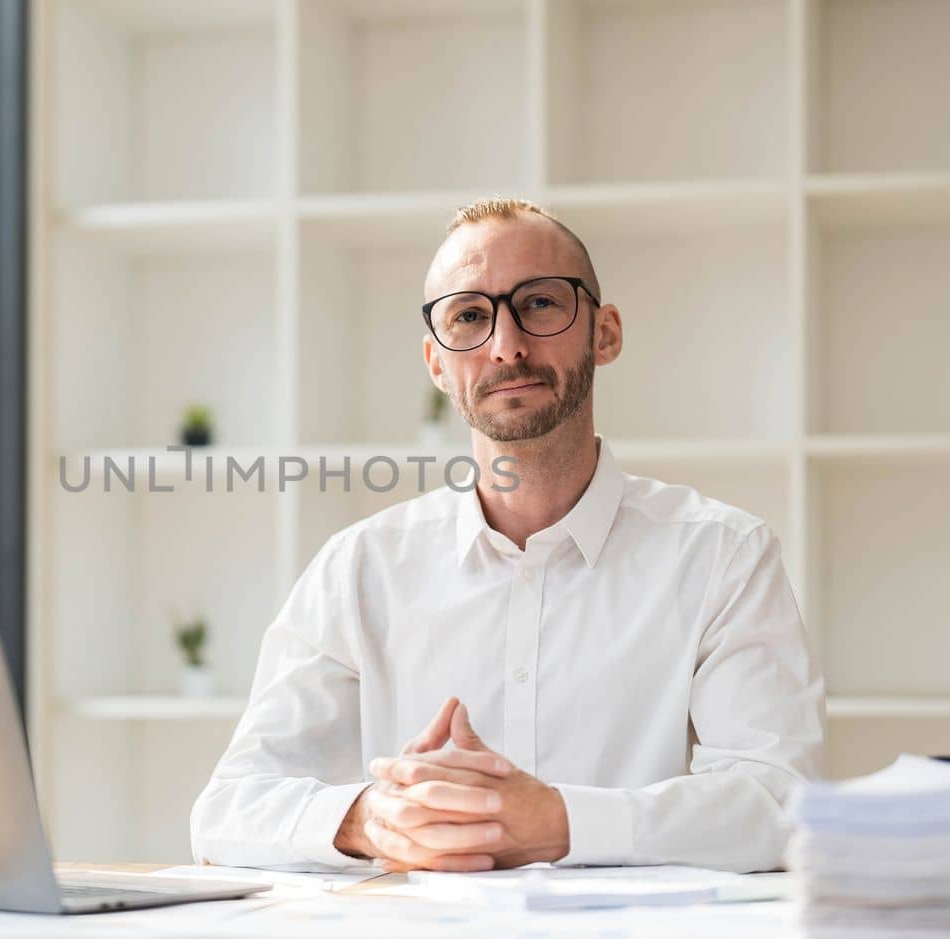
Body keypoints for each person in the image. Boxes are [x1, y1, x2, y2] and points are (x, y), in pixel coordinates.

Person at [189, 197, 824, 874]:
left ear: (604, 333)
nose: (506, 344)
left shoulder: (723, 556)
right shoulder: (359, 569)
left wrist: (559, 822)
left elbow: (780, 801)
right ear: (437, 363)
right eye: (470, 315)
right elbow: (228, 807)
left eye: (541, 304)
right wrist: (370, 817)